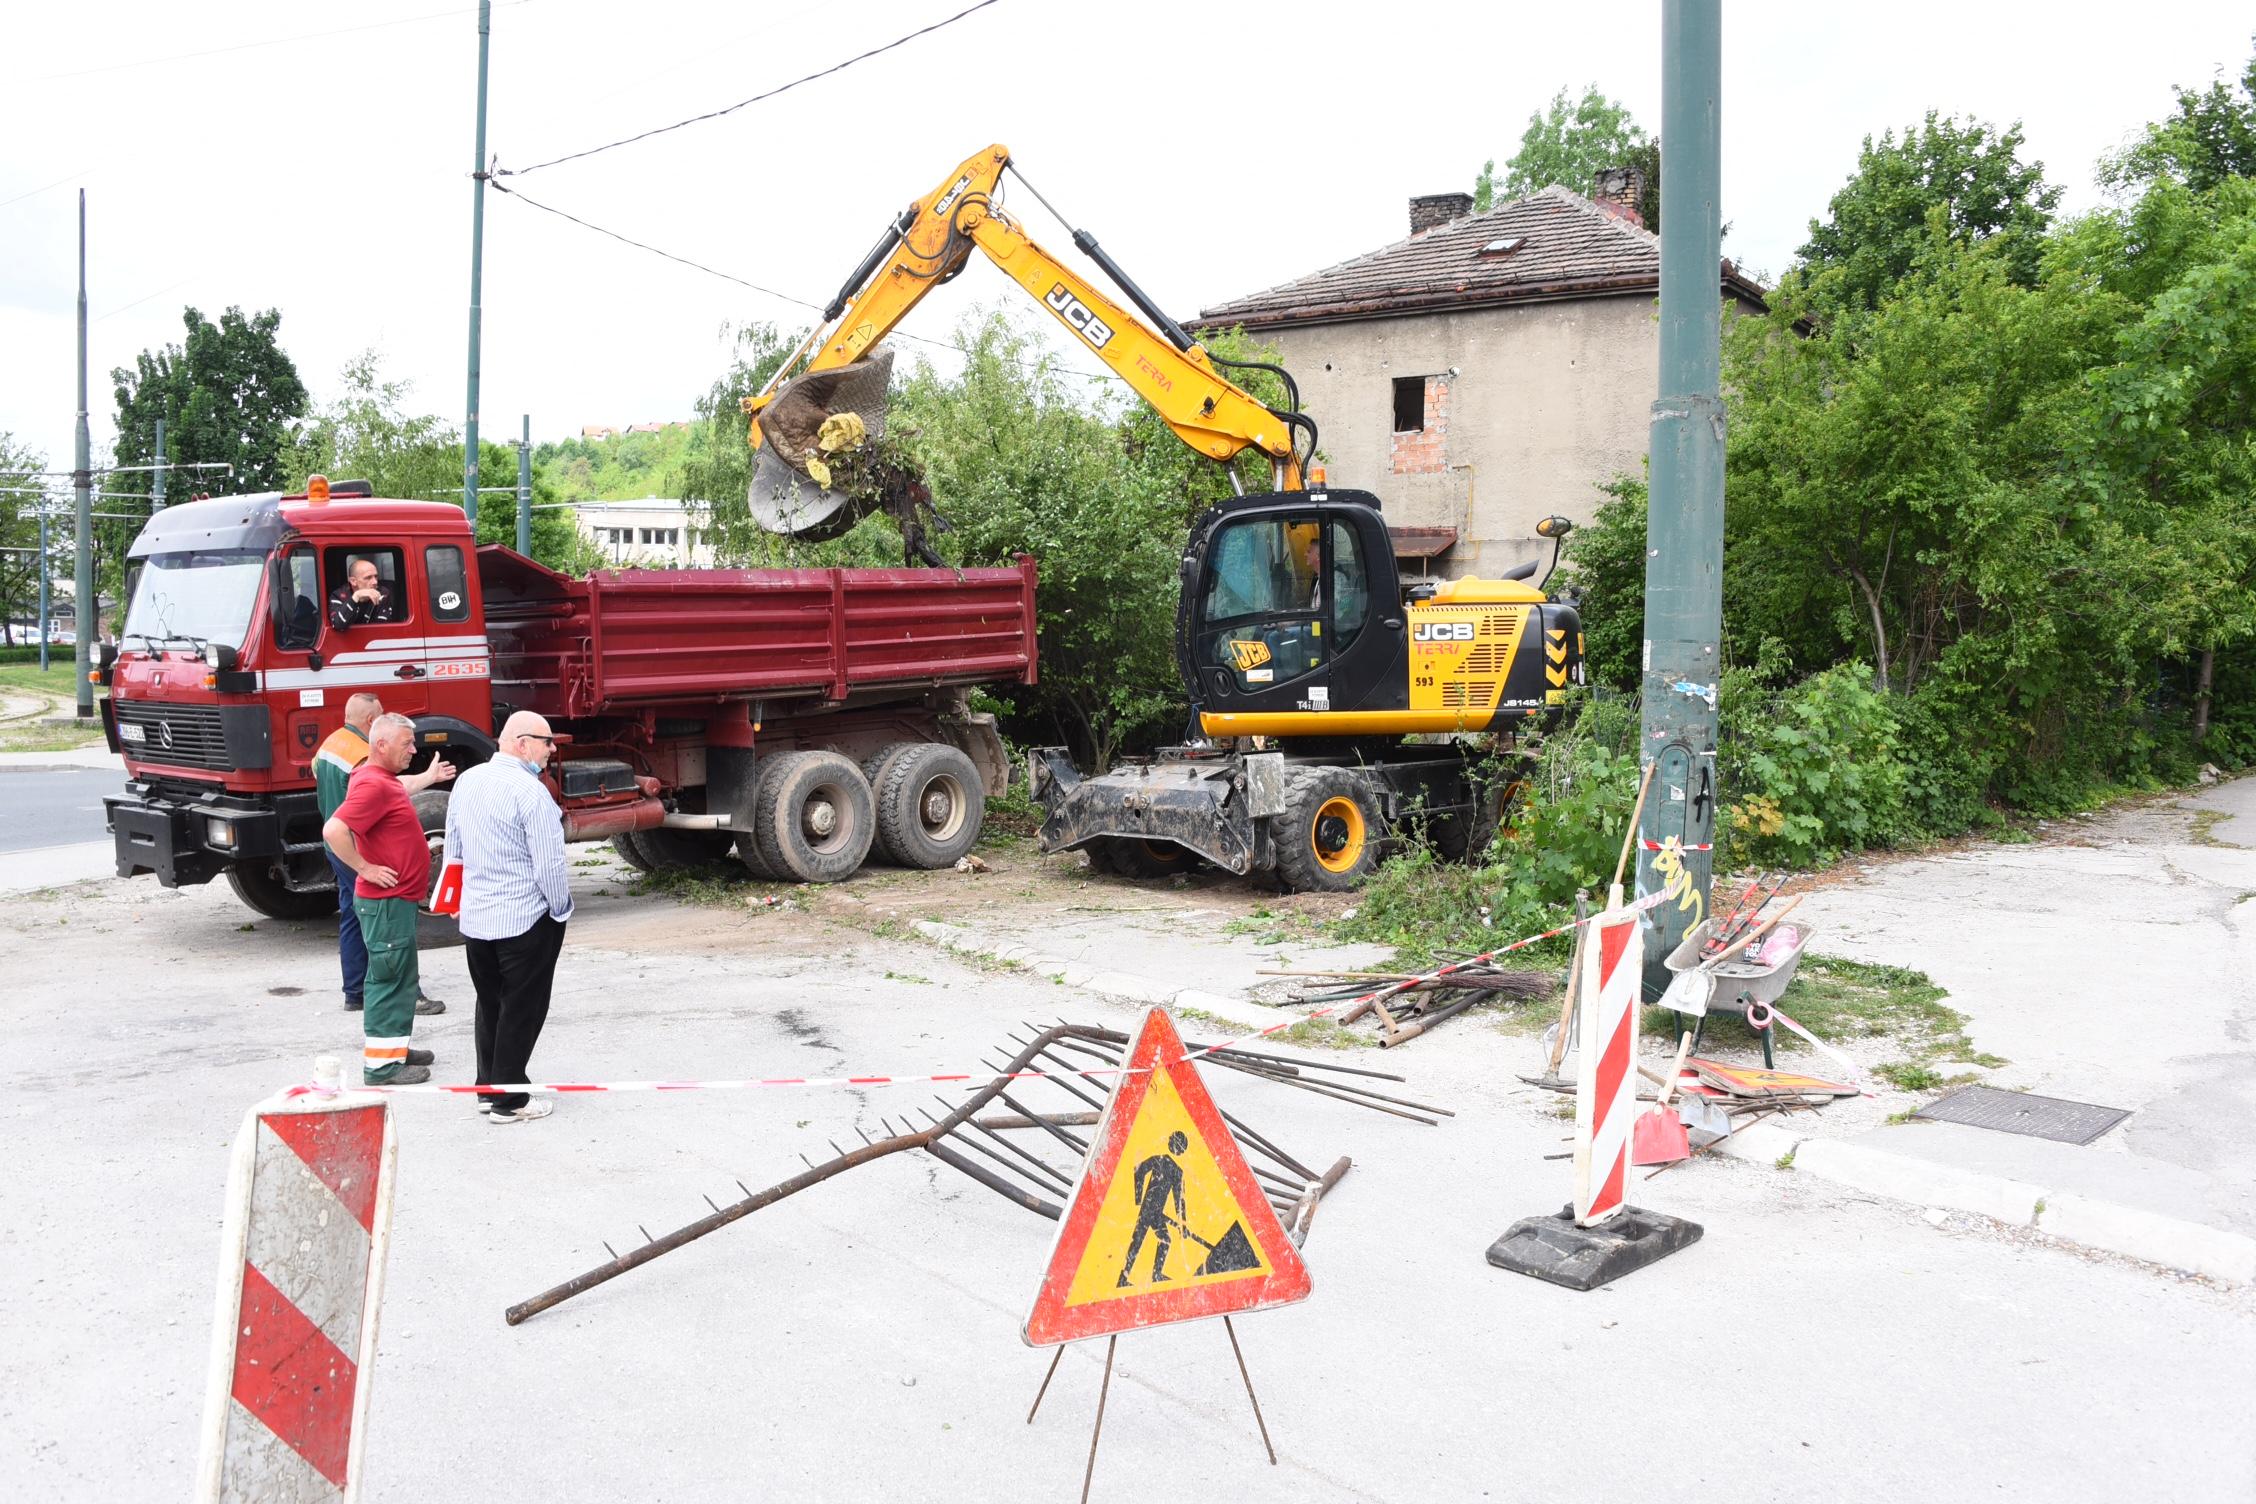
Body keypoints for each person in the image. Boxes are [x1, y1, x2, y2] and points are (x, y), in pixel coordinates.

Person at [442, 711, 573, 1125]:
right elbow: (549, 865)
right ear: (521, 743)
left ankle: (489, 1086)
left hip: (478, 919)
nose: (551, 751)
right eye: (547, 742)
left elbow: (454, 846)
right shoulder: (531, 793)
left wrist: (458, 899)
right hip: (523, 918)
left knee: (491, 1001)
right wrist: (560, 908)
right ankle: (510, 1099)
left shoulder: (468, 781)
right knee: (523, 1006)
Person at [314, 692, 452, 1016]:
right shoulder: (365, 756)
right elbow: (390, 788)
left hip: (339, 849)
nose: (410, 749)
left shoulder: (329, 746)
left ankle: (355, 993)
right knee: (390, 933)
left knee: (351, 917)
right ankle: (410, 994)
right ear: (372, 723)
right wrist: (366, 867)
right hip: (356, 847)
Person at [324, 713, 439, 1085]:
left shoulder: (379, 779)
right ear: (381, 745)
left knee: (402, 977)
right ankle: (382, 1067)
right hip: (386, 902)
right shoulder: (373, 784)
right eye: (406, 743)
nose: (413, 749)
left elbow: (398, 787)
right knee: (389, 980)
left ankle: (395, 1049)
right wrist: (365, 867)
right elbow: (334, 829)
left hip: (396, 901)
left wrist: (427, 779)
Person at [1116, 1131, 1190, 1287]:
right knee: (1137, 1242)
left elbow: (1179, 1201)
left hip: (1155, 1212)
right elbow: (1139, 1170)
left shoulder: (1169, 1166)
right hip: (1148, 1210)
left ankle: (1155, 1275)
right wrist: (1138, 1199)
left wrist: (1182, 1224)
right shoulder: (1166, 1163)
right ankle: (1123, 1279)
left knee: (1164, 1240)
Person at [329, 555, 403, 629]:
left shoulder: (383, 592)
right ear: (353, 581)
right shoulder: (339, 595)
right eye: (368, 578)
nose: (375, 582)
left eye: (376, 576)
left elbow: (381, 628)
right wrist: (355, 598)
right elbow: (337, 624)